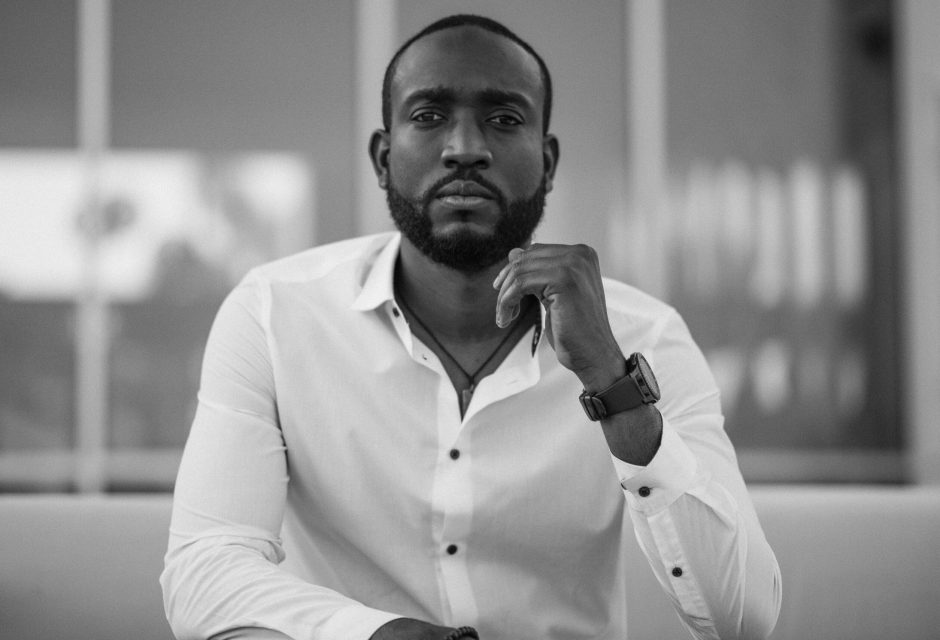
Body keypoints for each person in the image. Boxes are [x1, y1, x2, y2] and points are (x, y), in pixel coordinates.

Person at [161, 14, 782, 640]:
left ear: (547, 161)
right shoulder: (274, 314)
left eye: (504, 118)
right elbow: (205, 573)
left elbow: (743, 621)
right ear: (383, 157)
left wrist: (613, 383)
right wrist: (376, 636)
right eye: (428, 115)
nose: (465, 147)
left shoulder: (645, 336)